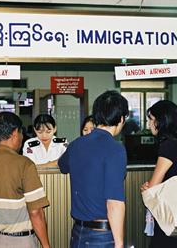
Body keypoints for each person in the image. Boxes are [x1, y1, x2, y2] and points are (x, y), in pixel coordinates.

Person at [58, 90, 129, 248]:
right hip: (102, 236)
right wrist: (119, 243)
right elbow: (114, 202)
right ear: (122, 119)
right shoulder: (115, 149)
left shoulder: (76, 144)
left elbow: (62, 166)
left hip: (78, 232)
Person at [0, 112, 50, 248]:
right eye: (21, 133)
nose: (21, 137)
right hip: (18, 242)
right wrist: (46, 245)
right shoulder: (24, 164)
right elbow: (36, 212)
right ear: (15, 134)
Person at [141, 100, 177, 248]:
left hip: (173, 220)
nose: (149, 124)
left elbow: (153, 188)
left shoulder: (168, 146)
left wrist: (146, 188)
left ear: (162, 121)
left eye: (151, 119)